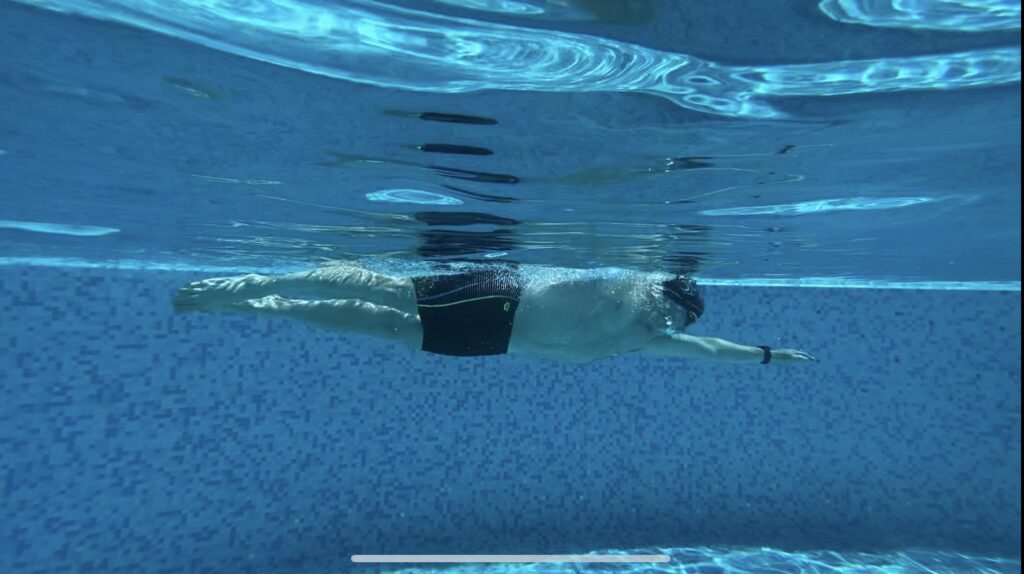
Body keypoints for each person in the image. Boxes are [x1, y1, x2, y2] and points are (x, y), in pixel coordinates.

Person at [172, 263, 816, 365]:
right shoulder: (630, 282)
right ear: (663, 292)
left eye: (681, 324)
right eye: (676, 314)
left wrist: (764, 355)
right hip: (502, 296)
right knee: (390, 291)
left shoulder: (645, 337)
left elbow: (708, 352)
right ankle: (264, 279)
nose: (673, 327)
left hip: (492, 342)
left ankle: (271, 304)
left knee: (380, 325)